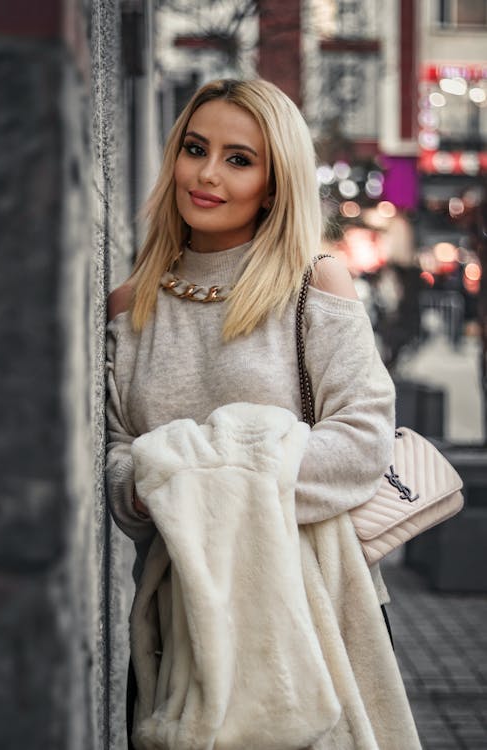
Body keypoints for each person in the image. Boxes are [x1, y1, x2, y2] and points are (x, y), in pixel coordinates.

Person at [106, 78, 420, 749]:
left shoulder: (313, 282)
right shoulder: (129, 308)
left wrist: (186, 468)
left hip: (314, 608)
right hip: (179, 617)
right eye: (195, 148)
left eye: (239, 159)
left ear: (275, 183)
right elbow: (117, 467)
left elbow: (362, 443)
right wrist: (176, 473)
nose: (208, 174)